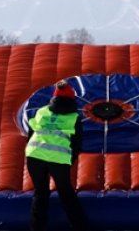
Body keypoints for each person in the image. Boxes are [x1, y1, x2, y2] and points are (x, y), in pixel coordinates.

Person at [25, 80, 89, 231]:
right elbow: (76, 144)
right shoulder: (73, 118)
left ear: (54, 98)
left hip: (34, 156)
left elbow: (31, 134)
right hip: (58, 159)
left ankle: (36, 228)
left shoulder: (41, 111)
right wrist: (69, 161)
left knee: (40, 193)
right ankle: (80, 227)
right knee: (66, 194)